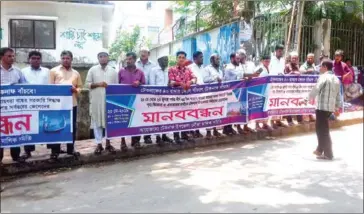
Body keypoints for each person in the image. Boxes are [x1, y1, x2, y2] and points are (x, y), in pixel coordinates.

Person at [48, 50, 82, 160]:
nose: (65, 60)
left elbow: (80, 87)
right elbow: (50, 87)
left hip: (72, 104)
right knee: (56, 126)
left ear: (71, 59)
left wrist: (75, 90)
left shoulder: (76, 73)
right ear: (60, 59)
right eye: (63, 58)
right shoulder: (53, 71)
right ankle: (55, 151)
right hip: (57, 105)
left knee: (71, 127)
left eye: (68, 58)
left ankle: (70, 149)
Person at [305, 59, 341, 160]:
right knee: (323, 129)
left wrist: (306, 99)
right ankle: (319, 150)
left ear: (325, 67)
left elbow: (316, 89)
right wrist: (337, 107)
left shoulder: (323, 77)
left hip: (321, 108)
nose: (319, 68)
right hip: (329, 109)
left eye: (321, 66)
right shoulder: (336, 79)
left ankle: (328, 154)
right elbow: (338, 95)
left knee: (322, 131)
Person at [85, 50, 118, 155]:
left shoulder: (113, 71)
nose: (103, 58)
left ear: (108, 58)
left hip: (109, 101)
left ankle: (108, 143)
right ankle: (99, 144)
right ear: (98, 58)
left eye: (105, 56)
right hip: (96, 101)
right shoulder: (92, 70)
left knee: (109, 122)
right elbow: (87, 85)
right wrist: (98, 84)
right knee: (96, 122)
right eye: (101, 56)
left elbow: (116, 86)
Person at [21, 51, 50, 159]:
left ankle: (53, 148)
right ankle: (27, 151)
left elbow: (51, 86)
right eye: (33, 58)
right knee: (28, 126)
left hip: (44, 103)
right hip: (29, 104)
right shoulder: (23, 71)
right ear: (29, 59)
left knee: (46, 124)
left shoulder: (47, 71)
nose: (36, 60)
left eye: (38, 58)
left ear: (41, 60)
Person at [0, 47, 27, 163]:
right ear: (1, 57)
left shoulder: (18, 71)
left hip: (15, 109)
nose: (12, 58)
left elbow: (26, 87)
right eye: (9, 56)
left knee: (15, 130)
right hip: (1, 109)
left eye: (13, 56)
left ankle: (16, 156)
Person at [118, 52, 146, 151]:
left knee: (136, 120)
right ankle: (123, 141)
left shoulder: (140, 72)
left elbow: (144, 86)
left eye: (130, 59)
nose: (128, 61)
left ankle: (135, 141)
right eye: (127, 59)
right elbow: (117, 85)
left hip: (137, 100)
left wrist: (139, 83)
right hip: (124, 100)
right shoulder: (121, 71)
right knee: (123, 120)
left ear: (135, 60)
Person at [168, 51, 197, 144]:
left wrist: (190, 82)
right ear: (177, 59)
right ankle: (176, 136)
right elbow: (171, 82)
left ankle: (185, 134)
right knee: (176, 115)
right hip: (176, 98)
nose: (181, 59)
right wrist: (179, 83)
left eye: (183, 57)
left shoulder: (188, 69)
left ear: (185, 59)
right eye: (179, 57)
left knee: (186, 115)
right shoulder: (172, 69)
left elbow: (195, 78)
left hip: (187, 98)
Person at [149, 56, 174, 146]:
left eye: (167, 60)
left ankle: (164, 135)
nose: (166, 62)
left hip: (167, 98)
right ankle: (158, 137)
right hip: (157, 98)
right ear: (159, 61)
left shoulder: (168, 70)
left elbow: (170, 81)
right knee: (157, 118)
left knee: (165, 117)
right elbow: (152, 85)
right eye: (164, 60)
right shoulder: (154, 70)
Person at [201, 53, 223, 139]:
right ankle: (208, 132)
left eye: (219, 59)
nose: (218, 60)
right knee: (209, 113)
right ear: (211, 60)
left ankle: (215, 130)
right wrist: (215, 78)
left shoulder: (220, 70)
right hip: (209, 95)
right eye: (217, 59)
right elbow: (205, 79)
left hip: (218, 95)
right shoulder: (207, 69)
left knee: (216, 113)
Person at [136, 47, 156, 144]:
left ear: (149, 54)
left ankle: (147, 137)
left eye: (145, 52)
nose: (143, 54)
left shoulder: (154, 65)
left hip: (149, 94)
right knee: (137, 115)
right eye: (141, 52)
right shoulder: (135, 64)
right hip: (136, 93)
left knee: (148, 115)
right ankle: (136, 138)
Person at [237, 49, 256, 134]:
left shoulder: (251, 64)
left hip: (250, 88)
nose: (241, 57)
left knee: (249, 107)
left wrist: (253, 76)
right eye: (239, 55)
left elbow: (255, 73)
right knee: (240, 107)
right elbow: (238, 76)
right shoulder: (237, 65)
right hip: (240, 89)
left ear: (245, 55)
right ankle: (238, 126)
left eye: (242, 55)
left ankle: (246, 126)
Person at [253, 55, 274, 131]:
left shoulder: (270, 67)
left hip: (268, 90)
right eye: (265, 61)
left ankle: (265, 124)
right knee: (259, 107)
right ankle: (257, 124)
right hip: (260, 90)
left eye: (268, 61)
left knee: (266, 107)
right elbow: (254, 77)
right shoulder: (260, 68)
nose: (267, 62)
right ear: (262, 61)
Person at [269, 44, 287, 128]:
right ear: (275, 51)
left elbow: (283, 70)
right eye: (279, 51)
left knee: (280, 102)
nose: (280, 52)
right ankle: (272, 121)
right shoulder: (271, 59)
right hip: (273, 84)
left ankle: (278, 120)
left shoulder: (283, 60)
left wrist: (282, 74)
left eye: (281, 51)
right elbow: (269, 71)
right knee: (273, 102)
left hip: (281, 84)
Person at [187, 51, 205, 138]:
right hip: (192, 94)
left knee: (199, 113)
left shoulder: (202, 68)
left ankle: (197, 130)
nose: (202, 59)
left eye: (202, 57)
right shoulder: (189, 68)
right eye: (200, 57)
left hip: (201, 94)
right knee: (192, 113)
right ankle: (191, 130)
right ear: (195, 59)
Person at [222, 53, 240, 135]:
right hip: (228, 91)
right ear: (232, 59)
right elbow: (240, 75)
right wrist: (253, 75)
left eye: (239, 58)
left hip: (234, 91)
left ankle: (229, 127)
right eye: (237, 58)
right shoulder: (229, 68)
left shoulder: (236, 67)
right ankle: (226, 128)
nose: (239, 60)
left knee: (232, 110)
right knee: (228, 110)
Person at [284, 51, 303, 125]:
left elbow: (299, 74)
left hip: (297, 88)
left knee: (298, 103)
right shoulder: (287, 66)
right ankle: (289, 121)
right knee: (289, 103)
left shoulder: (297, 66)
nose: (294, 59)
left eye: (296, 58)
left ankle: (300, 120)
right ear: (290, 59)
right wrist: (293, 73)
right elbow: (286, 75)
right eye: (293, 58)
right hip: (289, 88)